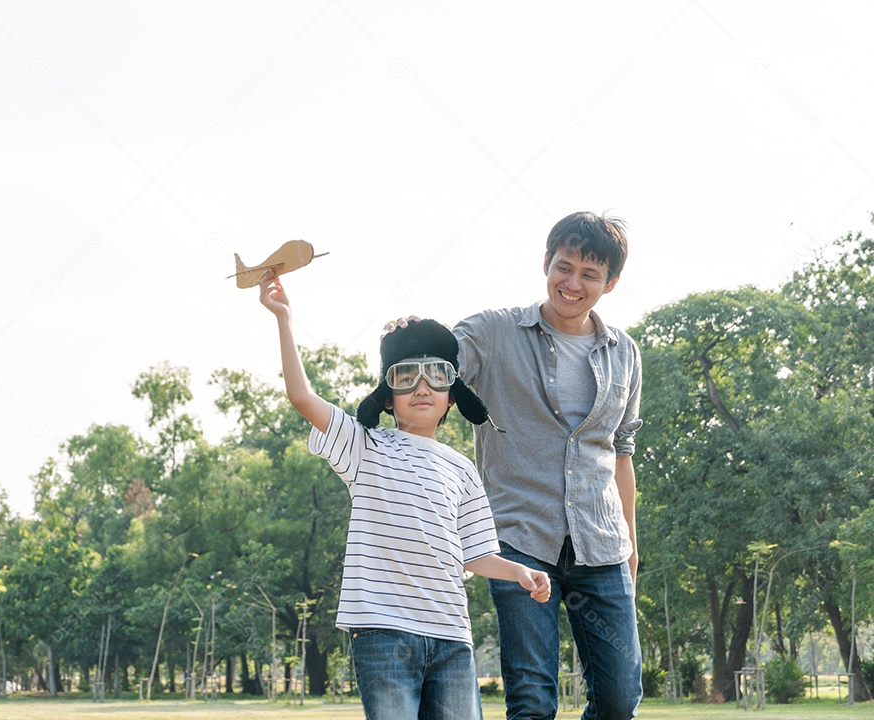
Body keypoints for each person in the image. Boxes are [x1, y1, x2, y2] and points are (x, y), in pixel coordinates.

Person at [258, 269, 551, 720]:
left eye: (436, 376)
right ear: (388, 397)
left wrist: (521, 572)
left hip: (453, 636)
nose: (421, 387)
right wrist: (284, 317)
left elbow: (475, 555)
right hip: (383, 634)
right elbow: (301, 396)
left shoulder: (462, 469)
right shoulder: (365, 446)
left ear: (452, 396)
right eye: (405, 376)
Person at [452, 211, 643, 720]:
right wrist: (411, 337)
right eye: (564, 267)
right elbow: (438, 361)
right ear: (546, 262)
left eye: (589, 274)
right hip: (519, 540)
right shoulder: (494, 333)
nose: (572, 283)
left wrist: (632, 546)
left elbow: (621, 451)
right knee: (533, 700)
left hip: (601, 545)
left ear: (611, 282)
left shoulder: (624, 352)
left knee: (621, 700)